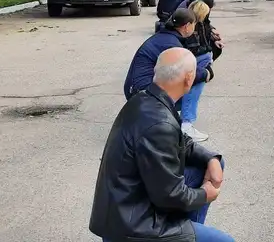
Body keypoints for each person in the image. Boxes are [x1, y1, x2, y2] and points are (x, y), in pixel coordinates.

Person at [90, 48, 232, 242]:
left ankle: (187, 232)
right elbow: (170, 196)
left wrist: (211, 158)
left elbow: (180, 140)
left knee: (206, 165)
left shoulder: (146, 98)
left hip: (127, 207)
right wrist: (205, 194)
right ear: (189, 78)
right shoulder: (159, 122)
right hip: (135, 226)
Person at [124, 9, 206, 100]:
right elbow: (185, 73)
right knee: (187, 83)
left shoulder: (165, 36)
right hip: (142, 92)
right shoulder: (172, 45)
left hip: (135, 87)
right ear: (187, 26)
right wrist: (206, 73)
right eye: (194, 24)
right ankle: (185, 110)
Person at [181, 0, 217, 141]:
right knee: (193, 90)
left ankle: (186, 121)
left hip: (198, 59)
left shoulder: (198, 23)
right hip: (196, 61)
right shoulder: (193, 27)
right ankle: (186, 125)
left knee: (193, 90)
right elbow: (193, 48)